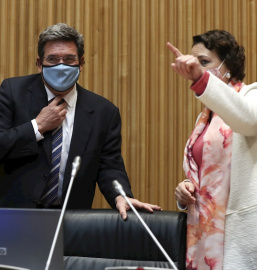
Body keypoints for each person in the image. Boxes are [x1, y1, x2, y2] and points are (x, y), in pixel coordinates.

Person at [0, 23, 161, 220]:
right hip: (15, 217)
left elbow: (109, 167)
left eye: (69, 59)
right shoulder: (12, 91)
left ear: (81, 63)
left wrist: (121, 196)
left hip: (71, 219)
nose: (61, 65)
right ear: (39, 63)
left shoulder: (104, 112)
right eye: (52, 59)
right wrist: (37, 126)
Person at [167, 30, 257, 270]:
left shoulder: (254, 94)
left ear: (228, 65)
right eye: (195, 62)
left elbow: (248, 120)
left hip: (245, 232)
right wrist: (186, 189)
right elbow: (208, 174)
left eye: (205, 62)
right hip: (205, 230)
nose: (198, 67)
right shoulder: (205, 118)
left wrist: (202, 79)